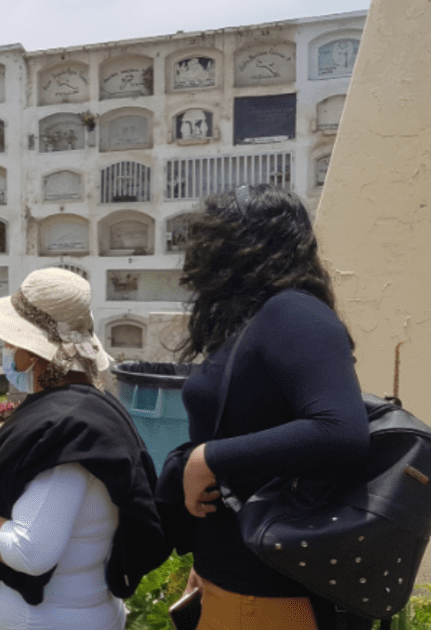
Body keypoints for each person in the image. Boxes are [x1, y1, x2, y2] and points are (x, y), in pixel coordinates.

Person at [157, 184, 370, 630]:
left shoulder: (294, 312)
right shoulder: (256, 323)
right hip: (233, 585)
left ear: (244, 245)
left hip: (268, 599)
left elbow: (340, 428)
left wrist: (208, 457)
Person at [0, 267, 167, 630]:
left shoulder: (67, 431)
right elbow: (59, 507)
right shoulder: (87, 409)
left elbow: (31, 549)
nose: (7, 350)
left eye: (11, 342)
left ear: (33, 355)